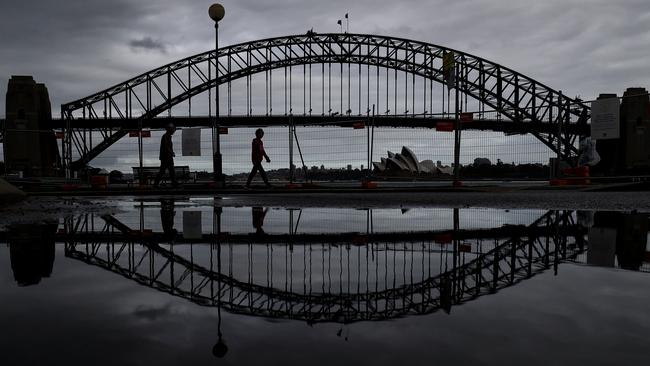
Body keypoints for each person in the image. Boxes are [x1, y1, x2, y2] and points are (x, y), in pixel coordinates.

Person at [154, 123, 179, 188]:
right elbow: (166, 146)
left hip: (166, 157)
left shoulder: (166, 136)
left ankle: (156, 184)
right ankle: (174, 183)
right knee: (168, 171)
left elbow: (166, 146)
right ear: (170, 130)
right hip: (166, 157)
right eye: (173, 130)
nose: (174, 131)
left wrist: (171, 153)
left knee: (168, 171)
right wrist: (171, 152)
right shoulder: (166, 136)